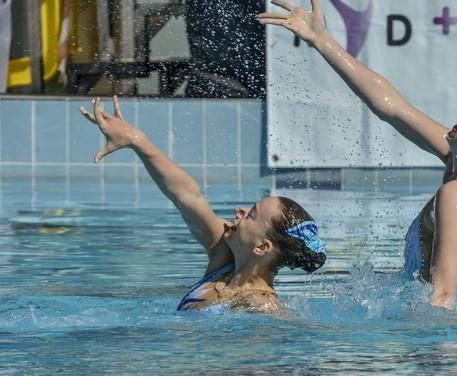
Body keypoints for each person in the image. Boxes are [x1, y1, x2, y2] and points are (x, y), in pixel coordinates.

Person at [259, 0, 457, 309]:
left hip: (450, 346)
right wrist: (322, 40)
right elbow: (393, 108)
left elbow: (442, 300)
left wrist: (432, 356)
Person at [79, 96, 326, 313]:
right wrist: (137, 141)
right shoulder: (223, 257)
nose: (239, 211)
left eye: (251, 214)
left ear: (262, 246)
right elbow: (189, 197)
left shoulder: (263, 306)